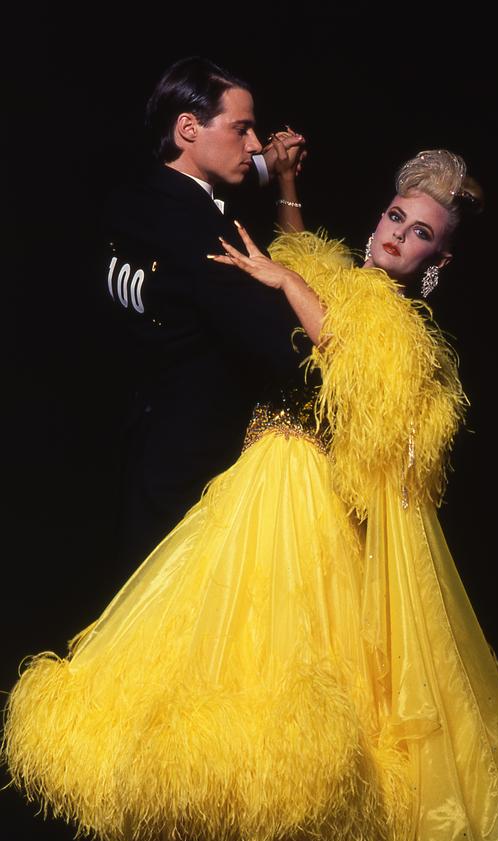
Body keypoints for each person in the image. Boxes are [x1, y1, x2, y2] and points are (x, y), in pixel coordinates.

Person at [2, 149, 498, 841]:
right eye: (394, 217)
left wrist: (285, 282)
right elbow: (305, 250)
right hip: (253, 483)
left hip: (312, 500)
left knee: (306, 675)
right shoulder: (343, 282)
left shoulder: (403, 332)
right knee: (197, 654)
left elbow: (345, 356)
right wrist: (285, 187)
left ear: (436, 259)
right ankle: (165, 840)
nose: (396, 235)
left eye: (418, 234)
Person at [103, 56, 307, 576]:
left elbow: (206, 198)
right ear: (188, 127)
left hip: (139, 451)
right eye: (242, 128)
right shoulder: (209, 243)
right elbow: (286, 354)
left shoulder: (129, 201)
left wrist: (272, 173)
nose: (256, 143)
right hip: (199, 478)